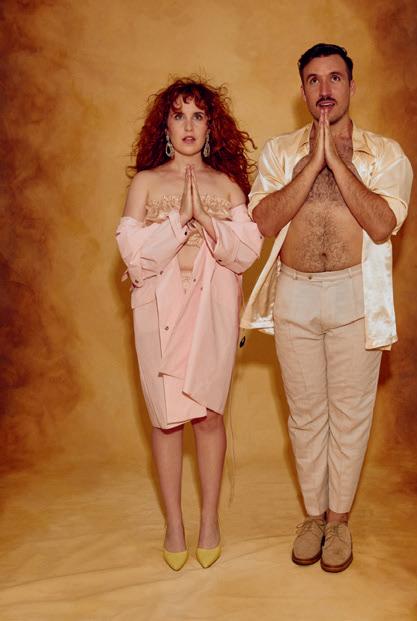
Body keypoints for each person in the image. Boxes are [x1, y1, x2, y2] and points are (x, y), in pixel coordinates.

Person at [241, 43, 413, 572]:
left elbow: (382, 225)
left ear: (351, 87)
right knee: (306, 416)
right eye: (313, 79)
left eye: (335, 78)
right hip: (294, 293)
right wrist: (311, 162)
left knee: (351, 415)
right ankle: (312, 517)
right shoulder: (279, 153)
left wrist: (337, 162)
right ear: (302, 90)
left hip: (354, 294)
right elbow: (263, 222)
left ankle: (339, 522)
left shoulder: (384, 154)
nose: (324, 89)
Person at [116, 78, 262, 571]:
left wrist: (206, 217)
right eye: (179, 115)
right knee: (165, 419)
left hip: (212, 312)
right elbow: (135, 257)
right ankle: (174, 524)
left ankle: (209, 521)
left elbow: (245, 252)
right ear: (165, 126)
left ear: (211, 126)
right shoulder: (146, 183)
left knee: (209, 416)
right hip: (157, 311)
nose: (189, 126)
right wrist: (180, 220)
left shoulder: (227, 186)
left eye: (198, 116)